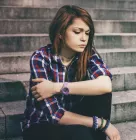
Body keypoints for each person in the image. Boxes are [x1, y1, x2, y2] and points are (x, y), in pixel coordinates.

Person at [21, 5, 120, 140]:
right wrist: (101, 124)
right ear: (61, 32)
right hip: (41, 126)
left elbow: (106, 85)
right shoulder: (41, 57)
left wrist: (56, 87)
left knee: (102, 95)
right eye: (77, 31)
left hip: (74, 119)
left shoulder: (88, 55)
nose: (84, 38)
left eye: (87, 33)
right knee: (80, 133)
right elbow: (54, 114)